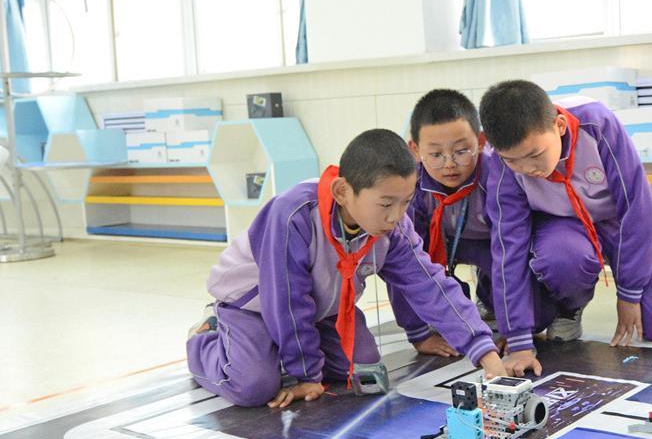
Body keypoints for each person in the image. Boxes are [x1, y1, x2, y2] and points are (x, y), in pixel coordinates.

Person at [187, 128, 506, 408]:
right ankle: (206, 337)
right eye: (386, 204)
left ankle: (274, 348)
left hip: (321, 312)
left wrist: (483, 351)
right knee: (253, 386)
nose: (396, 216)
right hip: (252, 307)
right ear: (342, 192)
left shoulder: (392, 228)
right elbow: (286, 299)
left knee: (361, 367)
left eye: (406, 202)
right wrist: (307, 374)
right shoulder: (294, 214)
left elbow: (430, 285)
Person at [479, 80, 652, 376]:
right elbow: (508, 244)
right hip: (562, 225)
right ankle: (570, 307)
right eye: (513, 161)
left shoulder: (597, 123)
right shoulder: (500, 162)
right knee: (557, 265)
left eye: (535, 155)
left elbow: (637, 205)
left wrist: (630, 293)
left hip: (616, 220)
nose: (528, 169)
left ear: (559, 126)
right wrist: (518, 339)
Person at [388, 89, 497, 358]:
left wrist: (515, 332)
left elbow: (513, 252)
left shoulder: (497, 175)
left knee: (507, 270)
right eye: (435, 154)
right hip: (442, 245)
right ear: (415, 150)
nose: (449, 164)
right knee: (406, 255)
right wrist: (418, 334)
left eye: (461, 151)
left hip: (488, 245)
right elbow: (402, 262)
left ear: (480, 141)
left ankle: (491, 300)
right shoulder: (409, 184)